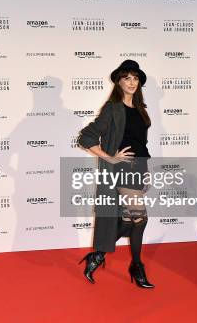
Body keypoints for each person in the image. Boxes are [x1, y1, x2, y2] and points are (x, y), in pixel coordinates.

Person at [77, 59, 155, 288]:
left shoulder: (140, 109)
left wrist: (146, 170)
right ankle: (137, 265)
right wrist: (110, 157)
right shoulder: (112, 108)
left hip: (139, 167)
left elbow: (141, 143)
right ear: (119, 82)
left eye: (135, 78)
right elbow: (86, 137)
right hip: (123, 168)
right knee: (140, 219)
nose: (132, 82)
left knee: (132, 220)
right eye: (127, 78)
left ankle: (98, 255)